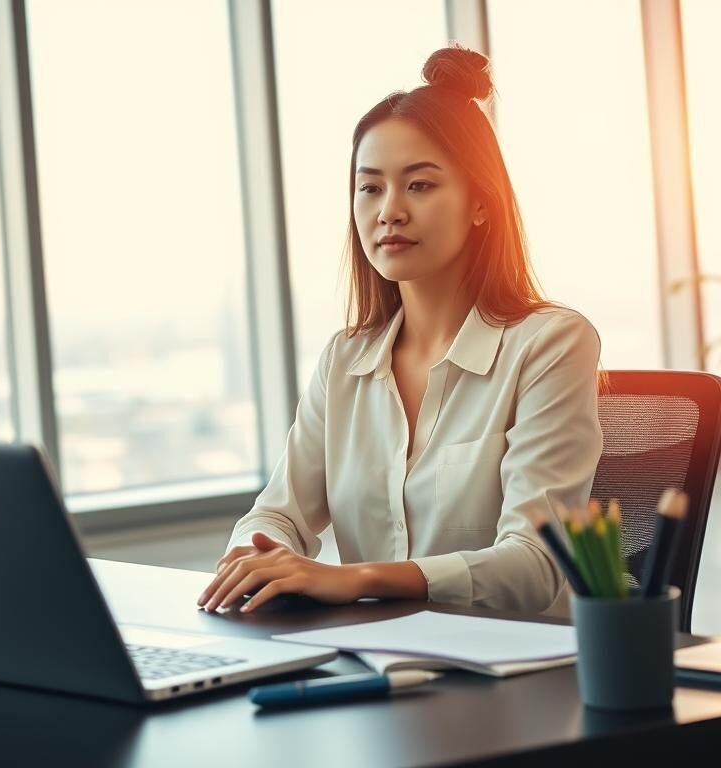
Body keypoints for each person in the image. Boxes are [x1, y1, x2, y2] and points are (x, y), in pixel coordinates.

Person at [198, 45, 603, 617]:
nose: (389, 211)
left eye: (420, 185)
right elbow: (277, 513)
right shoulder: (345, 359)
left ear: (481, 203)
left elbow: (536, 564)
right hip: (382, 666)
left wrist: (352, 577)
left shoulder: (551, 343)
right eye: (370, 188)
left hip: (516, 678)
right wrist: (259, 557)